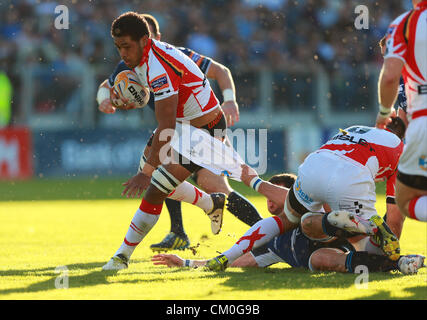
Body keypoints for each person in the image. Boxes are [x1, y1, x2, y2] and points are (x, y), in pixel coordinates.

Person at [97, 13, 263, 252]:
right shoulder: (129, 64)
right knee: (161, 172)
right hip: (179, 128)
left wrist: (229, 100)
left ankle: (264, 232)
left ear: (152, 39)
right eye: (120, 46)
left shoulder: (177, 56)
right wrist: (106, 100)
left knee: (211, 183)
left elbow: (221, 71)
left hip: (200, 128)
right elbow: (107, 85)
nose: (125, 51)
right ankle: (178, 232)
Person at [201, 119, 407, 271]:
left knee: (289, 219)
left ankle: (226, 257)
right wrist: (389, 247)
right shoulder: (402, 154)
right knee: (374, 253)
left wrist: (255, 183)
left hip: (315, 164)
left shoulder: (356, 129)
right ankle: (369, 229)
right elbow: (395, 223)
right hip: (351, 177)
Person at [152, 172, 425, 275]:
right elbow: (233, 262)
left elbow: (285, 200)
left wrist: (254, 181)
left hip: (332, 230)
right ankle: (397, 264)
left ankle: (367, 226)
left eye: (277, 196)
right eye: (269, 201)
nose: (271, 204)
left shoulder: (300, 207)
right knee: (318, 261)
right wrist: (186, 263)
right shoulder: (270, 243)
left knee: (306, 222)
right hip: (335, 252)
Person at [375, 0, 427, 223]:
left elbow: (389, 77)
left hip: (423, 120)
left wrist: (384, 113)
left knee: (405, 200)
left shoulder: (405, 24)